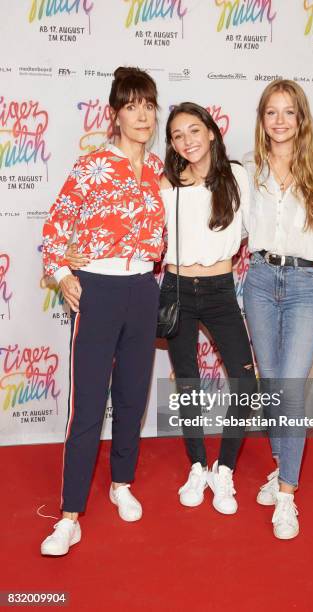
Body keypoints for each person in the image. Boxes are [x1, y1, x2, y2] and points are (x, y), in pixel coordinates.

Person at [68, 102, 257, 515]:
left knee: (246, 381)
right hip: (175, 290)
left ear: (211, 132)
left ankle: (223, 470)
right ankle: (197, 464)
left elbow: (256, 232)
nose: (187, 141)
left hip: (222, 290)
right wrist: (73, 254)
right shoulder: (164, 182)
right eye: (176, 135)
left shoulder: (238, 176)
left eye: (194, 130)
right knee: (186, 380)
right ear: (170, 144)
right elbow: (121, 218)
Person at [40, 67, 165, 556]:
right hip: (98, 289)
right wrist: (62, 273)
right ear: (115, 114)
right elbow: (55, 227)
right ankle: (70, 515)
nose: (142, 115)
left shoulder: (159, 170)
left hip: (143, 288)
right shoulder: (92, 165)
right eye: (131, 105)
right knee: (88, 404)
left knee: (133, 398)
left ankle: (122, 483)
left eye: (149, 105)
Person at [242, 79, 313, 539]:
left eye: (289, 111)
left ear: (301, 117)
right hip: (260, 281)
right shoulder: (248, 167)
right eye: (272, 111)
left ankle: (287, 493)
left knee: (289, 388)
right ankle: (280, 467)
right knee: (271, 384)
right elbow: (234, 226)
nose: (281, 120)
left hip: (309, 282)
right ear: (262, 119)